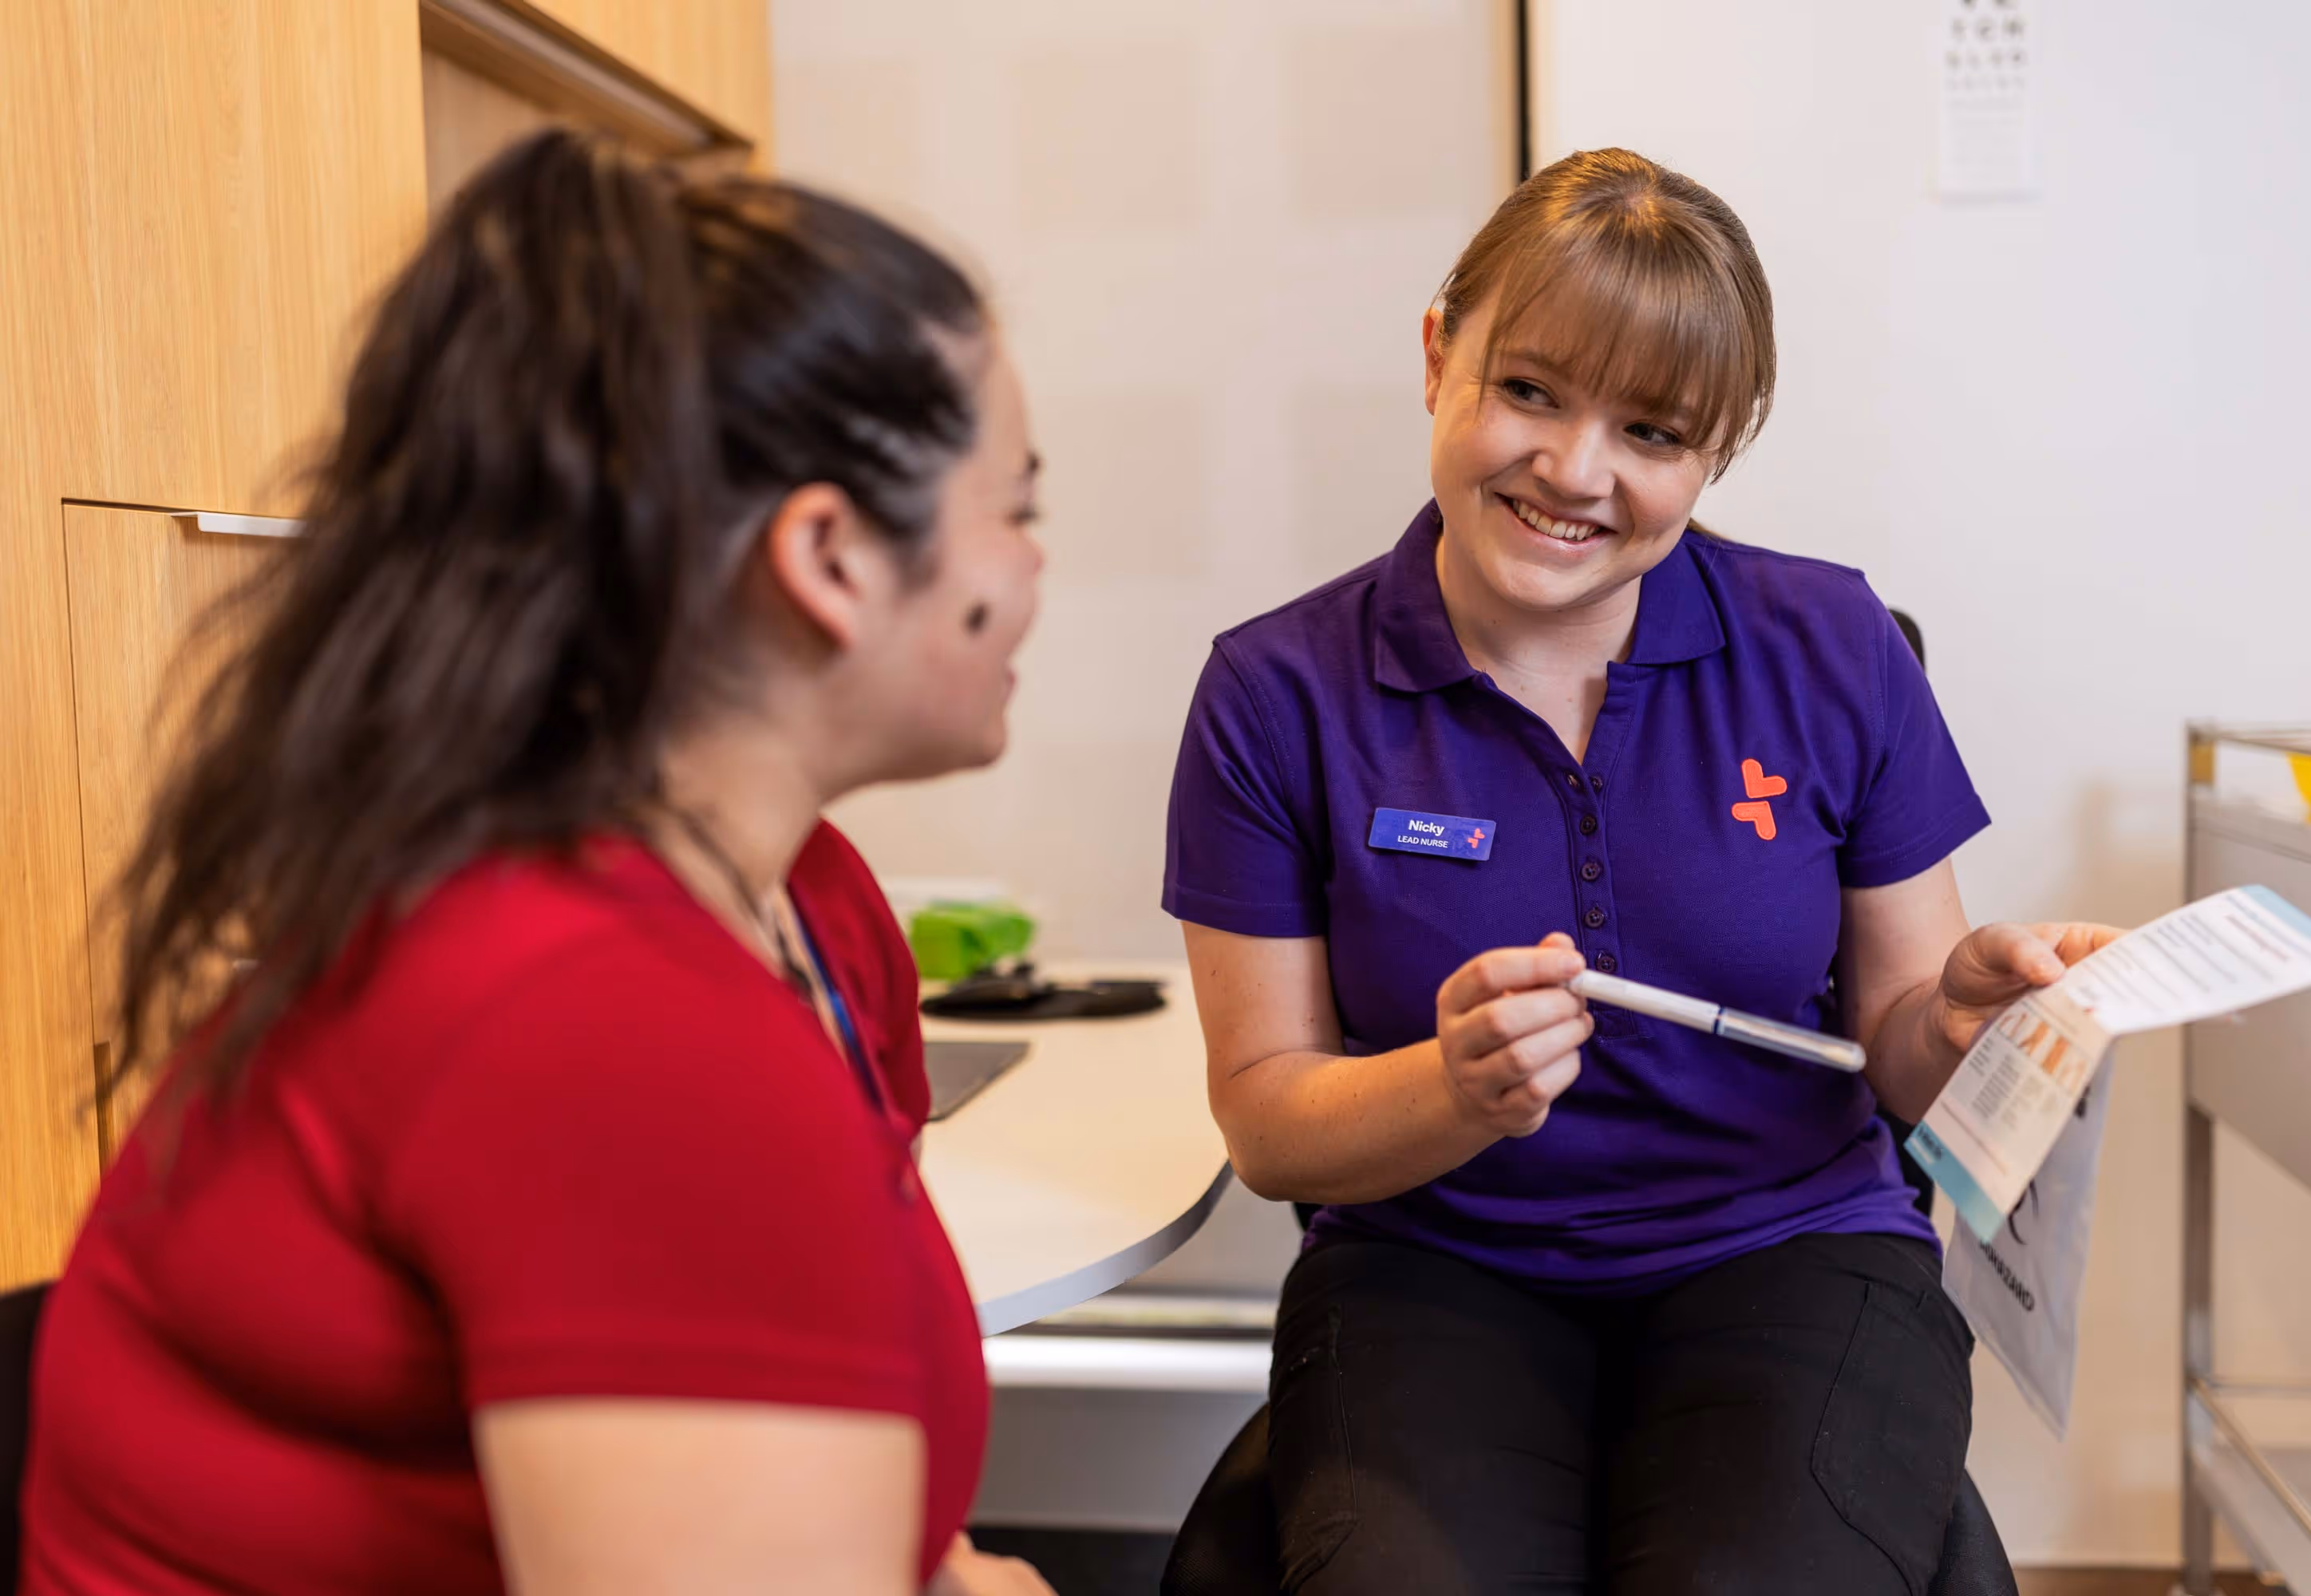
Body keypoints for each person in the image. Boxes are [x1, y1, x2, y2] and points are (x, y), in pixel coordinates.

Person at [22, 131, 1053, 1596]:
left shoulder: (804, 907)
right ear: (830, 561)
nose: (1032, 566)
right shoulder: (619, 1029)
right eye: (1015, 509)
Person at [1163, 148, 2119, 1594]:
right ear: (1436, 358)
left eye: (1652, 432)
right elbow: (1267, 1123)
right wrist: (1449, 1090)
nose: (1574, 471)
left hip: (1796, 1252)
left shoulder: (1832, 647)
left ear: (1715, 452)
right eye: (1529, 390)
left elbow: (1901, 1046)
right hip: (1436, 1268)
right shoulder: (1275, 693)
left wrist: (1967, 1024)